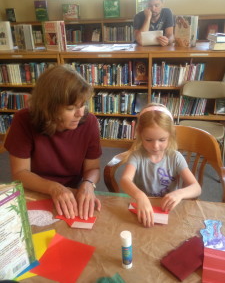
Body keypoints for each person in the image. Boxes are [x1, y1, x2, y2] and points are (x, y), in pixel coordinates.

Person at [4, 65, 102, 220]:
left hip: (71, 192)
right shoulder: (24, 120)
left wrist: (88, 184)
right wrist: (54, 188)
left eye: (82, 104)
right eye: (71, 108)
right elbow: (20, 173)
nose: (80, 113)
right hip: (35, 190)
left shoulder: (89, 122)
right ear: (49, 108)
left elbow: (93, 168)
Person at [120, 103, 201, 228]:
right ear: (140, 135)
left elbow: (196, 188)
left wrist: (179, 194)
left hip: (169, 211)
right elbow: (125, 180)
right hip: (144, 207)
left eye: (162, 140)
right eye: (148, 140)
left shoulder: (175, 157)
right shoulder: (136, 156)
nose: (155, 146)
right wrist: (140, 196)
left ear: (170, 136)